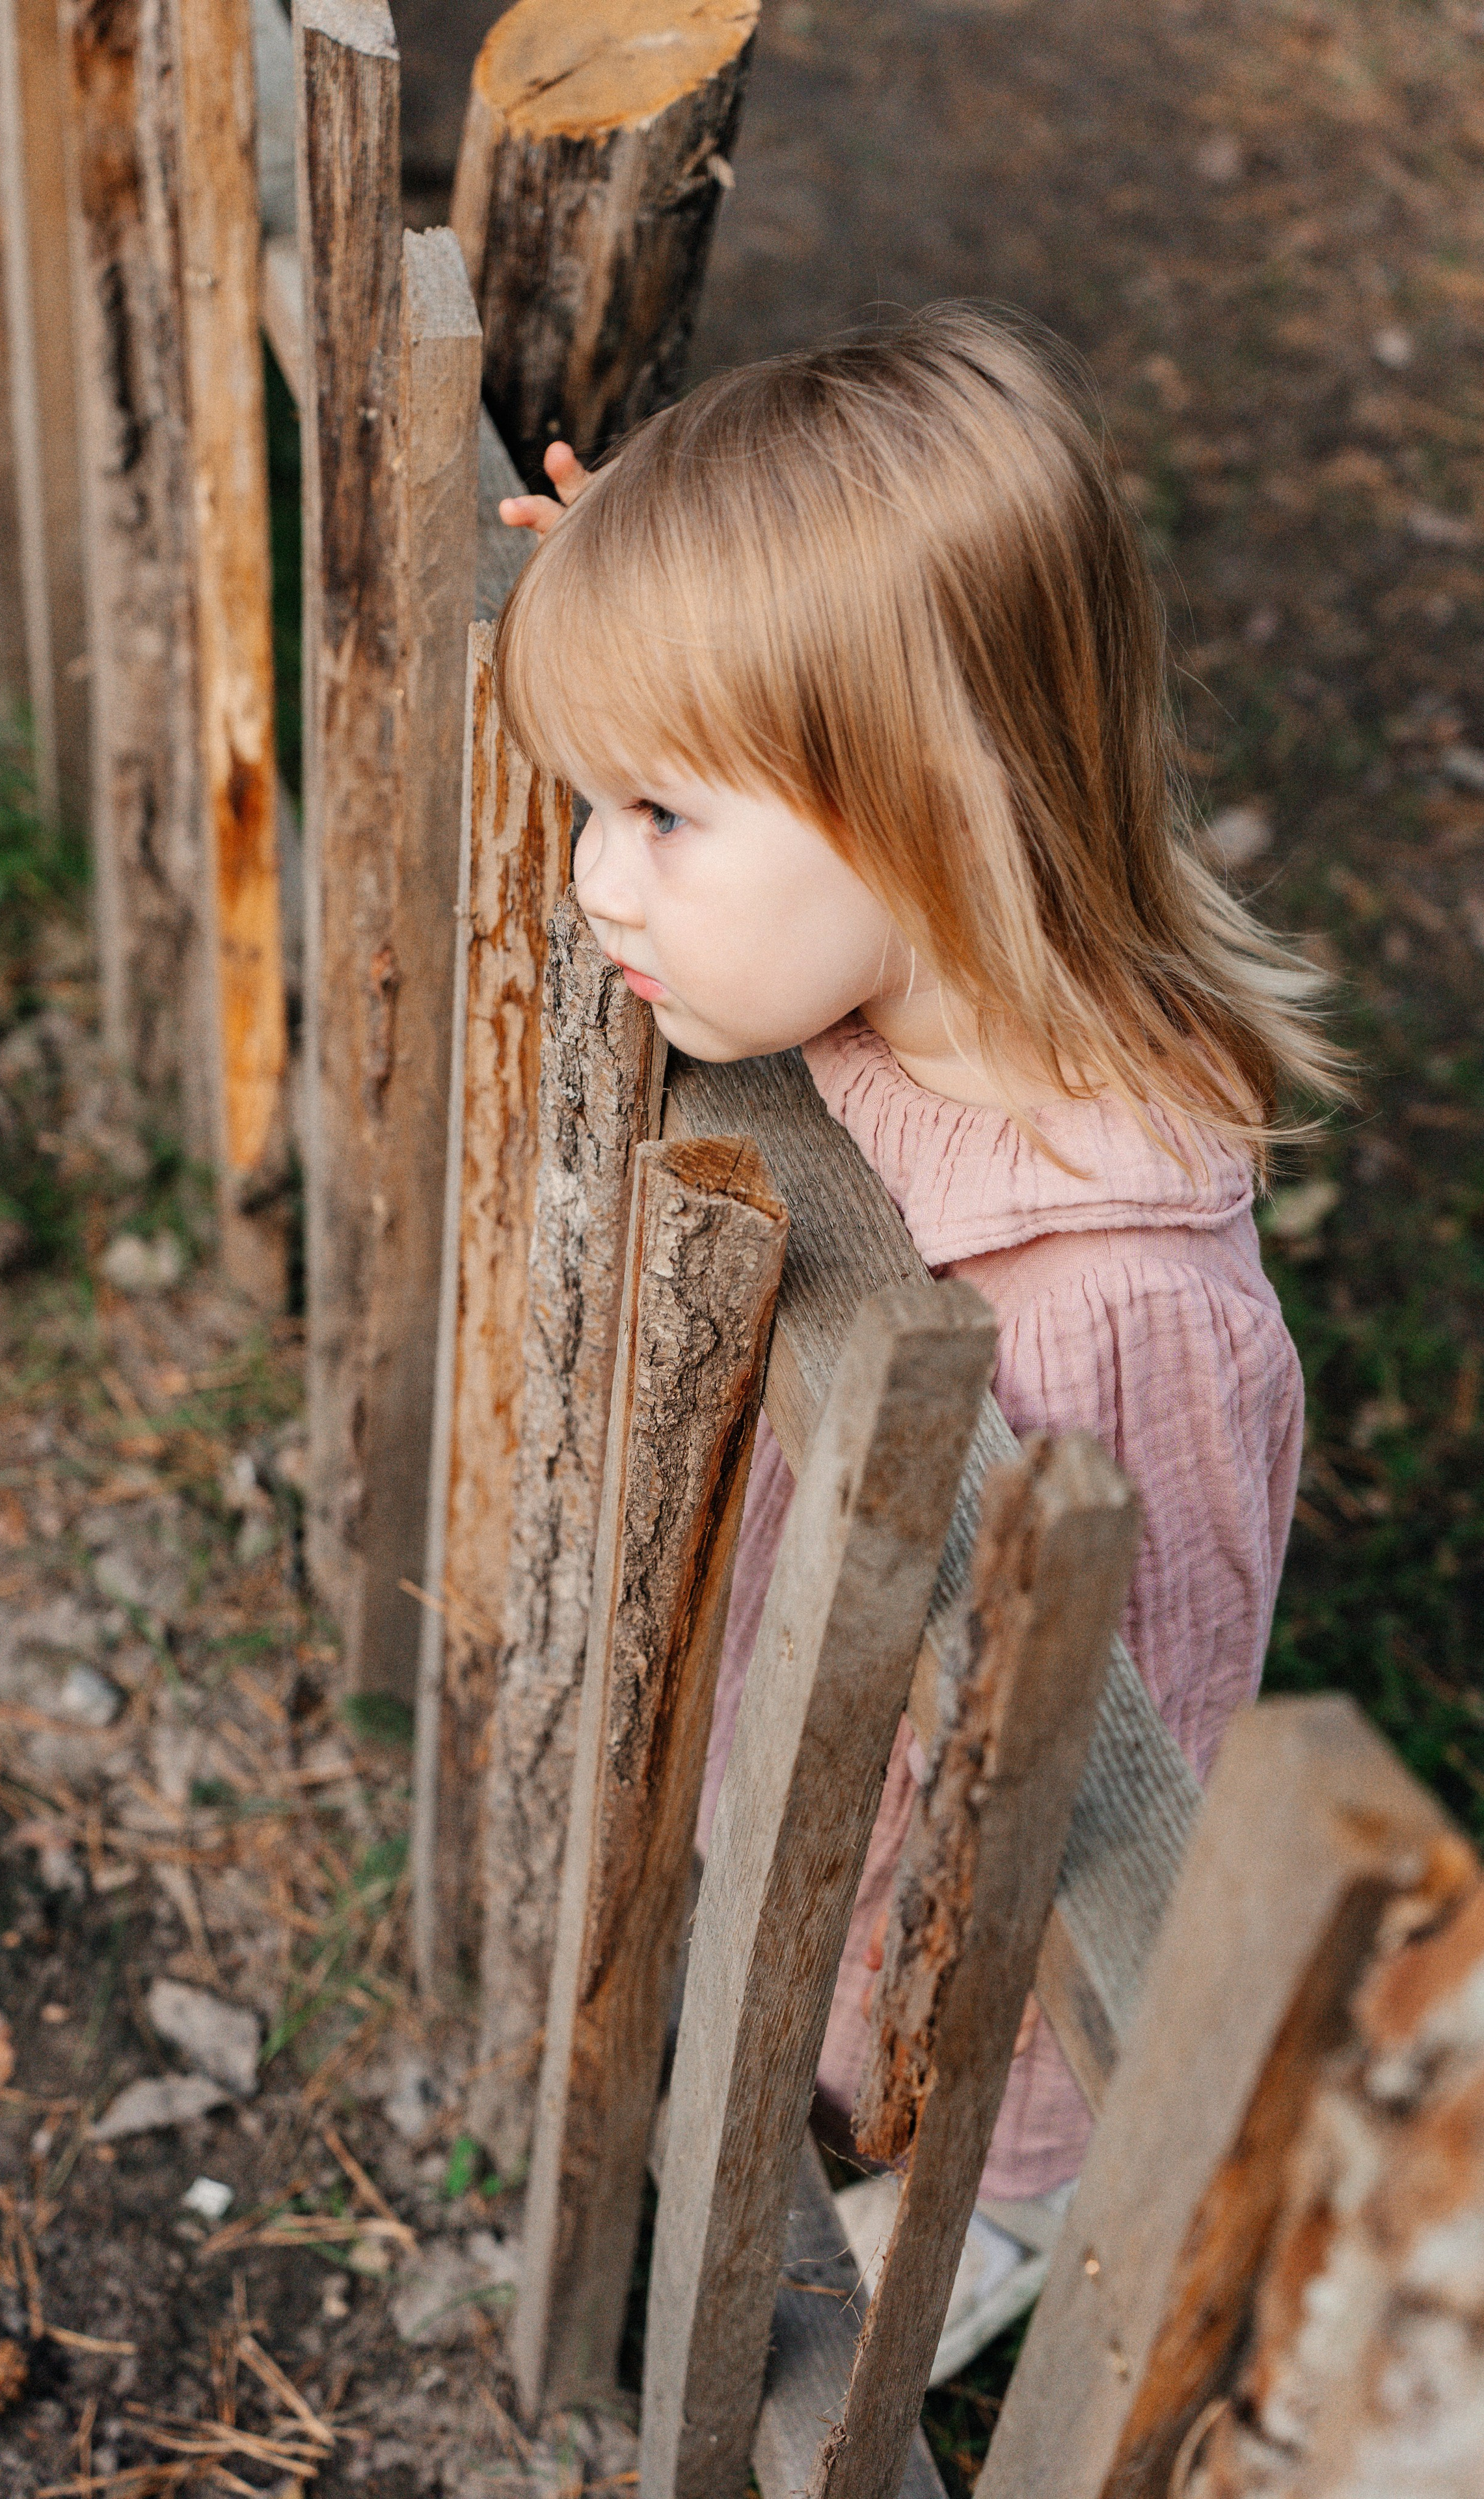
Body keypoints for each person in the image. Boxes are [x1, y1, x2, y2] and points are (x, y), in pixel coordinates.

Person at [492, 308, 1339, 2224]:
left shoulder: (1116, 1316)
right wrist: (665, 607)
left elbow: (1120, 1783)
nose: (592, 881)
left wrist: (967, 2114)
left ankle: (999, 2218)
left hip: (917, 1925)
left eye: (661, 815)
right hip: (787, 1708)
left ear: (926, 800)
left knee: (933, 2080)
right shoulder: (886, 952)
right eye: (596, 801)